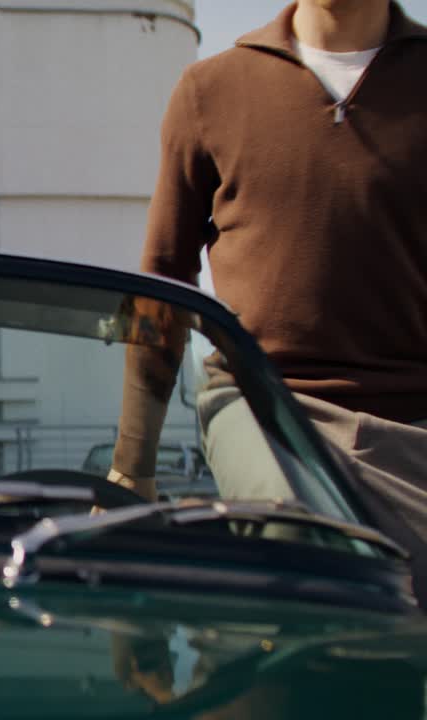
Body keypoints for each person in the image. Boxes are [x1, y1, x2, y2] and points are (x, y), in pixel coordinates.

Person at [109, 0, 427, 599]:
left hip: (410, 416)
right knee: (302, 560)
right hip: (261, 402)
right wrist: (133, 466)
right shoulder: (211, 89)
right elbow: (163, 283)